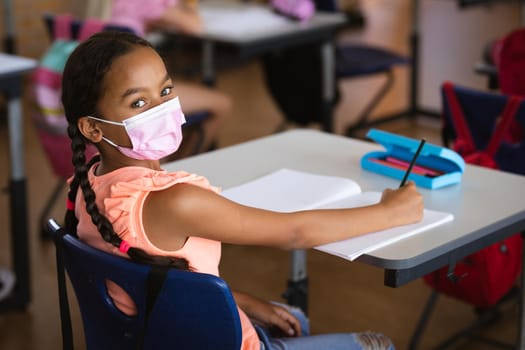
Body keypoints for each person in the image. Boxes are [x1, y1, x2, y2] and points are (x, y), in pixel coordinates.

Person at [62, 30, 423, 350]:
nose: (163, 108)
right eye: (139, 102)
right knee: (381, 344)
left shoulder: (86, 185)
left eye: (166, 90)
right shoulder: (175, 202)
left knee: (291, 316)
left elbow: (154, 277)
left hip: (159, 334)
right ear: (92, 128)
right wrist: (392, 211)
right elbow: (295, 232)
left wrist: (243, 300)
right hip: (220, 340)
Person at [87, 0, 232, 158]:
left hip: (83, 98)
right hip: (126, 98)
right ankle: (178, 167)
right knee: (221, 103)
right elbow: (194, 26)